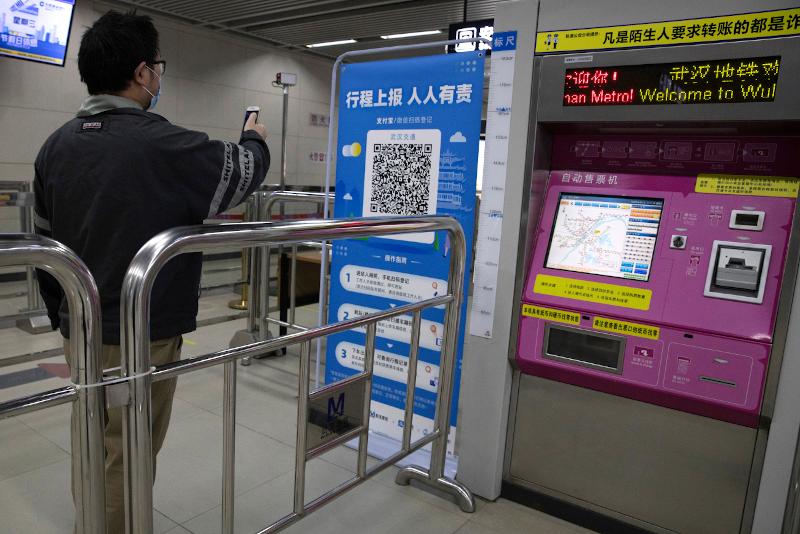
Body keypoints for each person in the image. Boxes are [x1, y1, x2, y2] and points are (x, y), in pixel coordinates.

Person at [33, 10, 269, 533]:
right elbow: (244, 173)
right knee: (130, 448)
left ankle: (88, 523)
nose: (157, 78)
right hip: (142, 333)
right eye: (156, 68)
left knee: (91, 437)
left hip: (82, 327)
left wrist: (60, 315)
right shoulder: (161, 144)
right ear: (141, 73)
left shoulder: (56, 146)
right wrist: (253, 136)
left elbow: (43, 245)